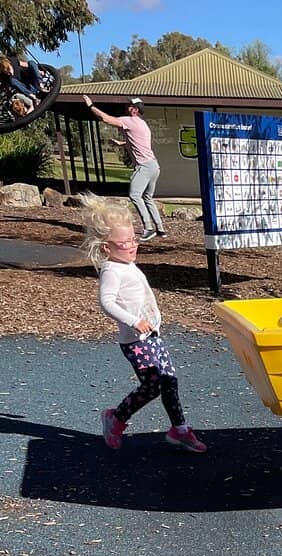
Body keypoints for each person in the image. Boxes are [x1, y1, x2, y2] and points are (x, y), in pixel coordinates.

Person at [79, 193, 207, 453]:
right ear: (107, 247)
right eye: (124, 243)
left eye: (133, 239)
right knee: (153, 386)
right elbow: (107, 303)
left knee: (169, 380)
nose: (132, 245)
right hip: (136, 341)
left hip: (152, 335)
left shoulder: (127, 264)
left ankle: (179, 429)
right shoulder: (112, 271)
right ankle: (116, 418)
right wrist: (134, 320)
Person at [82, 95, 166, 241]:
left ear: (135, 110)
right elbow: (138, 143)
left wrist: (90, 106)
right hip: (154, 166)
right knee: (147, 197)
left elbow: (106, 119)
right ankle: (160, 229)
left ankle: (148, 228)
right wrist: (120, 144)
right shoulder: (142, 124)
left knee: (134, 195)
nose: (128, 108)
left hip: (144, 167)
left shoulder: (129, 121)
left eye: (130, 106)